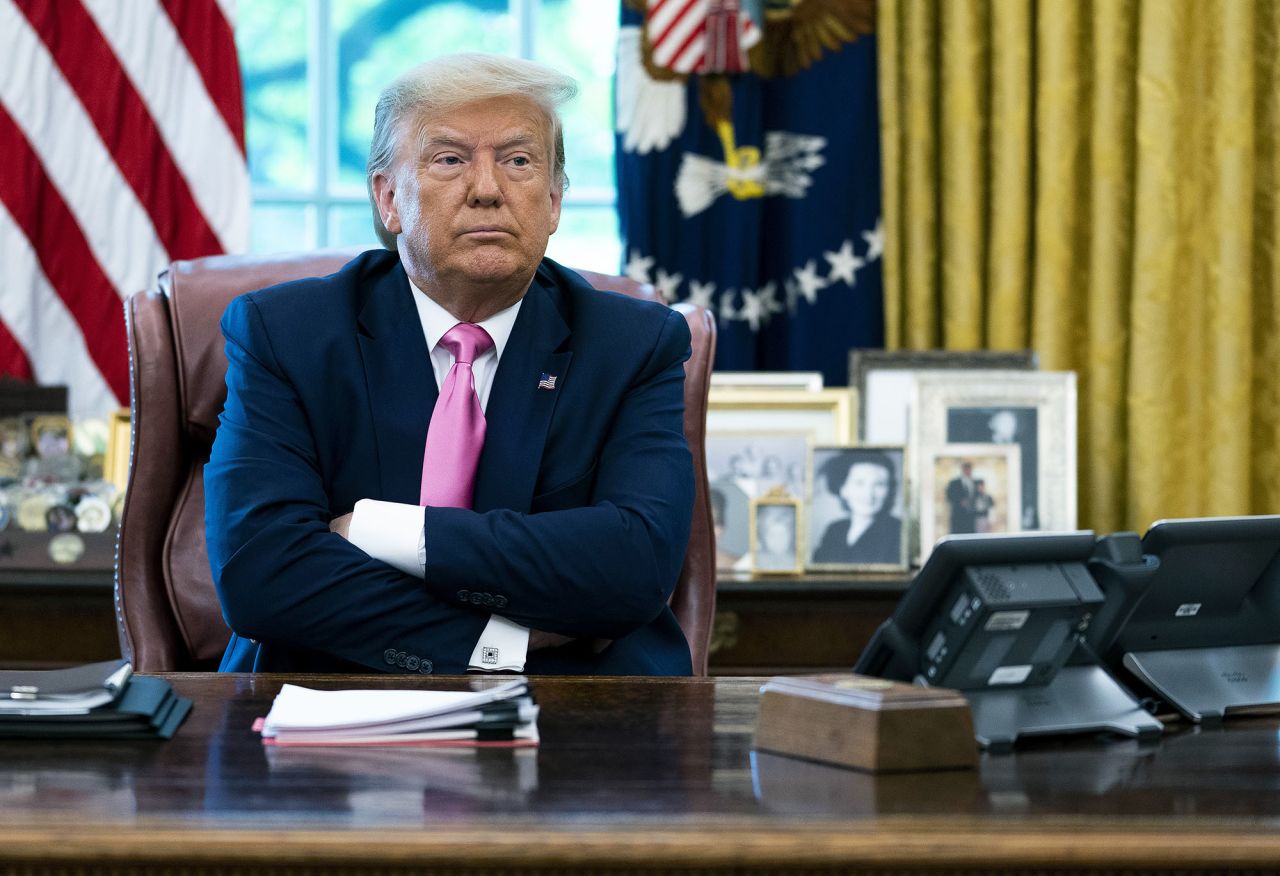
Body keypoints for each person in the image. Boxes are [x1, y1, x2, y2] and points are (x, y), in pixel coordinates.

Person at [204, 54, 695, 676]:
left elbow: (636, 566)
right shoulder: (288, 335)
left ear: (553, 201)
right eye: (450, 159)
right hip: (328, 693)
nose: (488, 189)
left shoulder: (633, 344)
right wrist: (498, 645)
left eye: (518, 161)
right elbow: (262, 574)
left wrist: (385, 532)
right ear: (388, 199)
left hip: (577, 710)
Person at [811, 451, 902, 565]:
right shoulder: (835, 530)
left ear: (889, 491)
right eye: (859, 483)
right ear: (843, 489)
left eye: (879, 484)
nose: (868, 494)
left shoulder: (898, 531)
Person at [753, 504, 797, 572]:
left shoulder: (797, 561)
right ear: (764, 538)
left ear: (791, 536)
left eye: (782, 535)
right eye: (772, 535)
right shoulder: (757, 561)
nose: (777, 541)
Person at [945, 461, 977, 534]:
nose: (968, 471)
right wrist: (959, 501)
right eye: (966, 469)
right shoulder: (954, 483)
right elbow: (949, 496)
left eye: (969, 469)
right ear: (963, 470)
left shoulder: (974, 482)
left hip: (971, 517)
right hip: (958, 516)